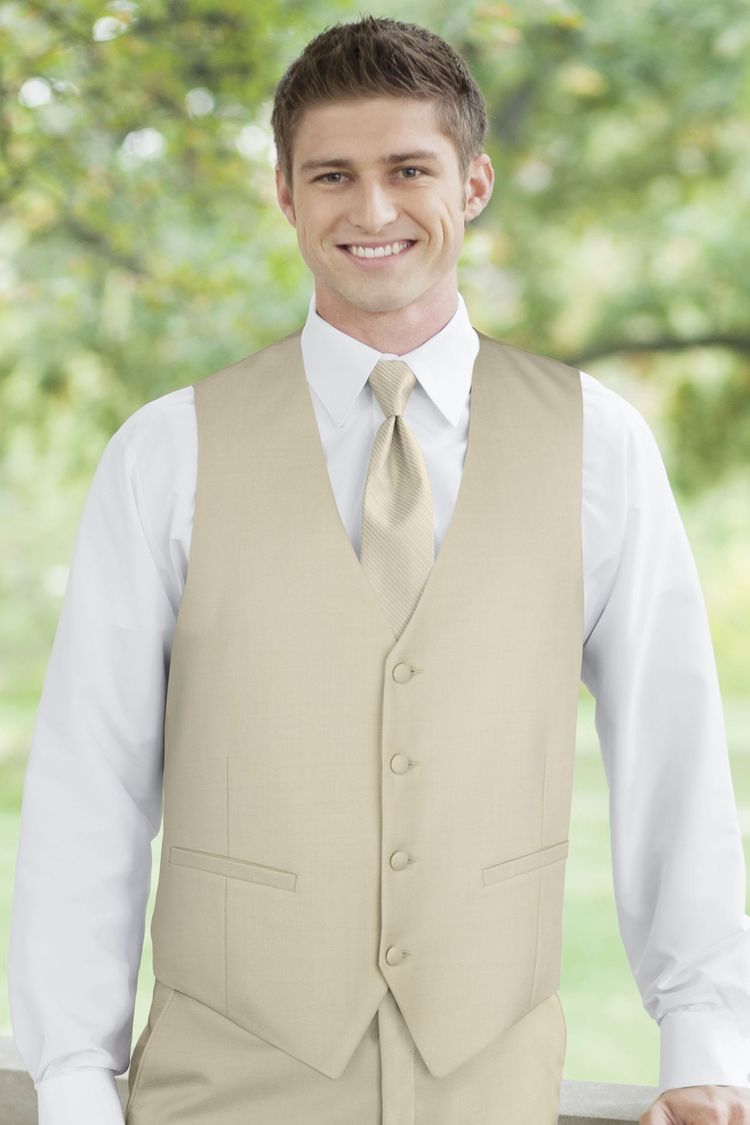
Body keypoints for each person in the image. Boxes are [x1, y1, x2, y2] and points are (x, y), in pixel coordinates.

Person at [7, 14, 750, 1125]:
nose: (371, 211)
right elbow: (89, 789)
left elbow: (673, 759)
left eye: (410, 169)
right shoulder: (166, 452)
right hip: (222, 1092)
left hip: (489, 1087)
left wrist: (706, 1044)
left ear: (475, 182)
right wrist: (71, 1081)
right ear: (285, 195)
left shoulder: (600, 444)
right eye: (332, 176)